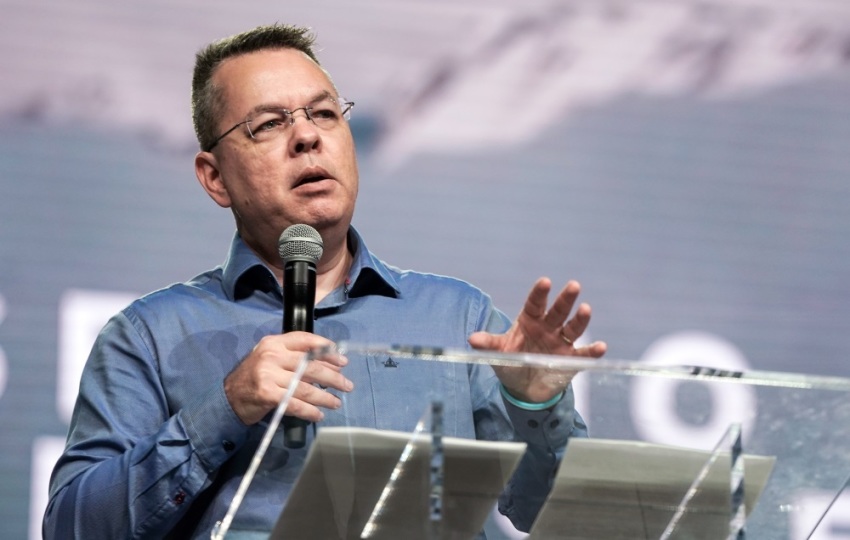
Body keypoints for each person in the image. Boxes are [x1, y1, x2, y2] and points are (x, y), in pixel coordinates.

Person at [44, 23, 607, 539]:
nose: (308, 138)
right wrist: (225, 408)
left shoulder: (458, 317)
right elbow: (73, 528)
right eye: (269, 124)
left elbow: (551, 513)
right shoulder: (149, 336)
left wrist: (534, 406)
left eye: (325, 114)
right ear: (214, 177)